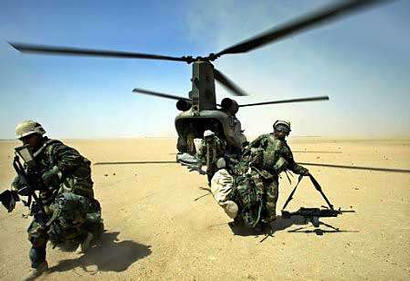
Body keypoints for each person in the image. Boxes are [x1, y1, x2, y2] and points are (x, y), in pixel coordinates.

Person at [9, 120, 103, 280]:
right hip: (49, 198)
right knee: (35, 232)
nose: (26, 142)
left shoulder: (54, 148)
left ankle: (90, 232)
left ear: (38, 134)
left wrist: (54, 171)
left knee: (66, 220)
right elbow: (25, 177)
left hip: (70, 195)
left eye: (29, 137)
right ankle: (38, 266)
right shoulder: (32, 156)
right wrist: (15, 188)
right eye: (23, 140)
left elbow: (76, 158)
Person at [247, 120, 309, 225]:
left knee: (271, 200)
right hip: (257, 172)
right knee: (258, 196)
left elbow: (292, 165)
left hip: (272, 176)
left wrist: (303, 171)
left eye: (285, 130)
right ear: (275, 128)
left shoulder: (285, 148)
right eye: (280, 129)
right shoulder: (264, 139)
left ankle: (265, 221)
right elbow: (248, 150)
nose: (282, 132)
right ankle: (252, 219)